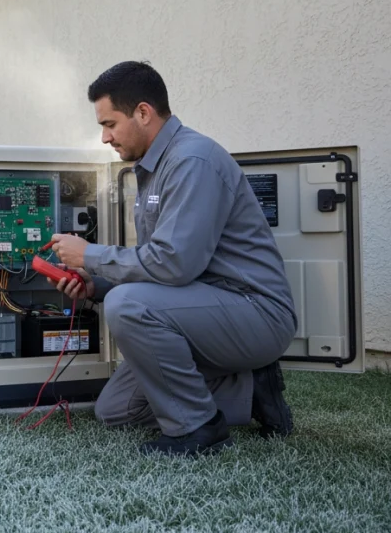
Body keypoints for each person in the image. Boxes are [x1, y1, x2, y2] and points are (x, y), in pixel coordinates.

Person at [48, 61, 297, 457]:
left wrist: (90, 254)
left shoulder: (192, 161)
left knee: (127, 306)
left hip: (255, 310)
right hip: (204, 307)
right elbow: (165, 271)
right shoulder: (152, 168)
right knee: (116, 409)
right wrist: (96, 284)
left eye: (109, 124)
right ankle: (252, 392)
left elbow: (173, 264)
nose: (104, 137)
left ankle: (198, 429)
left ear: (143, 113)